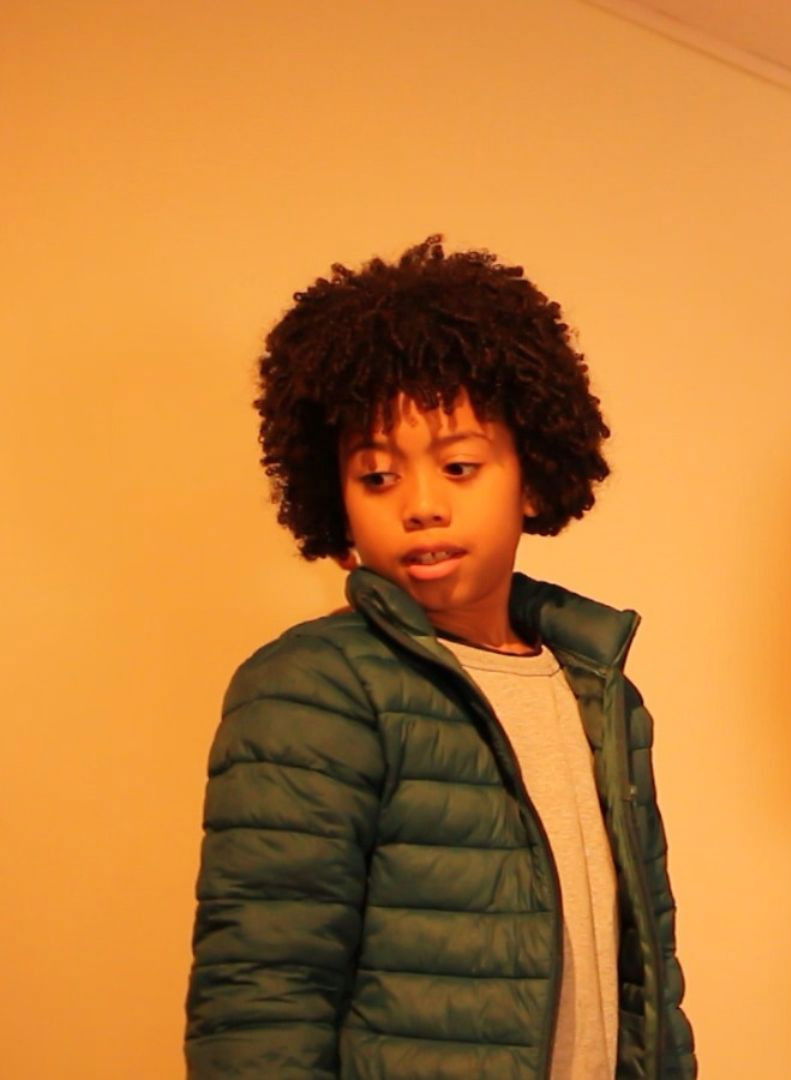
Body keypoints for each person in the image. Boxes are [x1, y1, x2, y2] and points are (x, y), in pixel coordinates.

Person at [185, 237, 696, 1078]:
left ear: (532, 477)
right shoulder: (312, 691)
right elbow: (261, 1001)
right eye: (377, 477)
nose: (421, 505)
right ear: (334, 500)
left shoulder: (601, 690)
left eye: (459, 466)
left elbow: (649, 978)